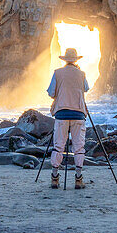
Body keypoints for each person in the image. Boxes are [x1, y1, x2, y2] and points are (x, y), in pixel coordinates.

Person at [46, 46, 90, 189]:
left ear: (65, 60)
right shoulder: (81, 73)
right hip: (78, 114)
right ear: (76, 60)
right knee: (79, 147)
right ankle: (78, 178)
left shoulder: (57, 73)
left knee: (58, 146)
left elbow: (51, 93)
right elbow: (86, 88)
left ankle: (55, 178)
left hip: (62, 114)